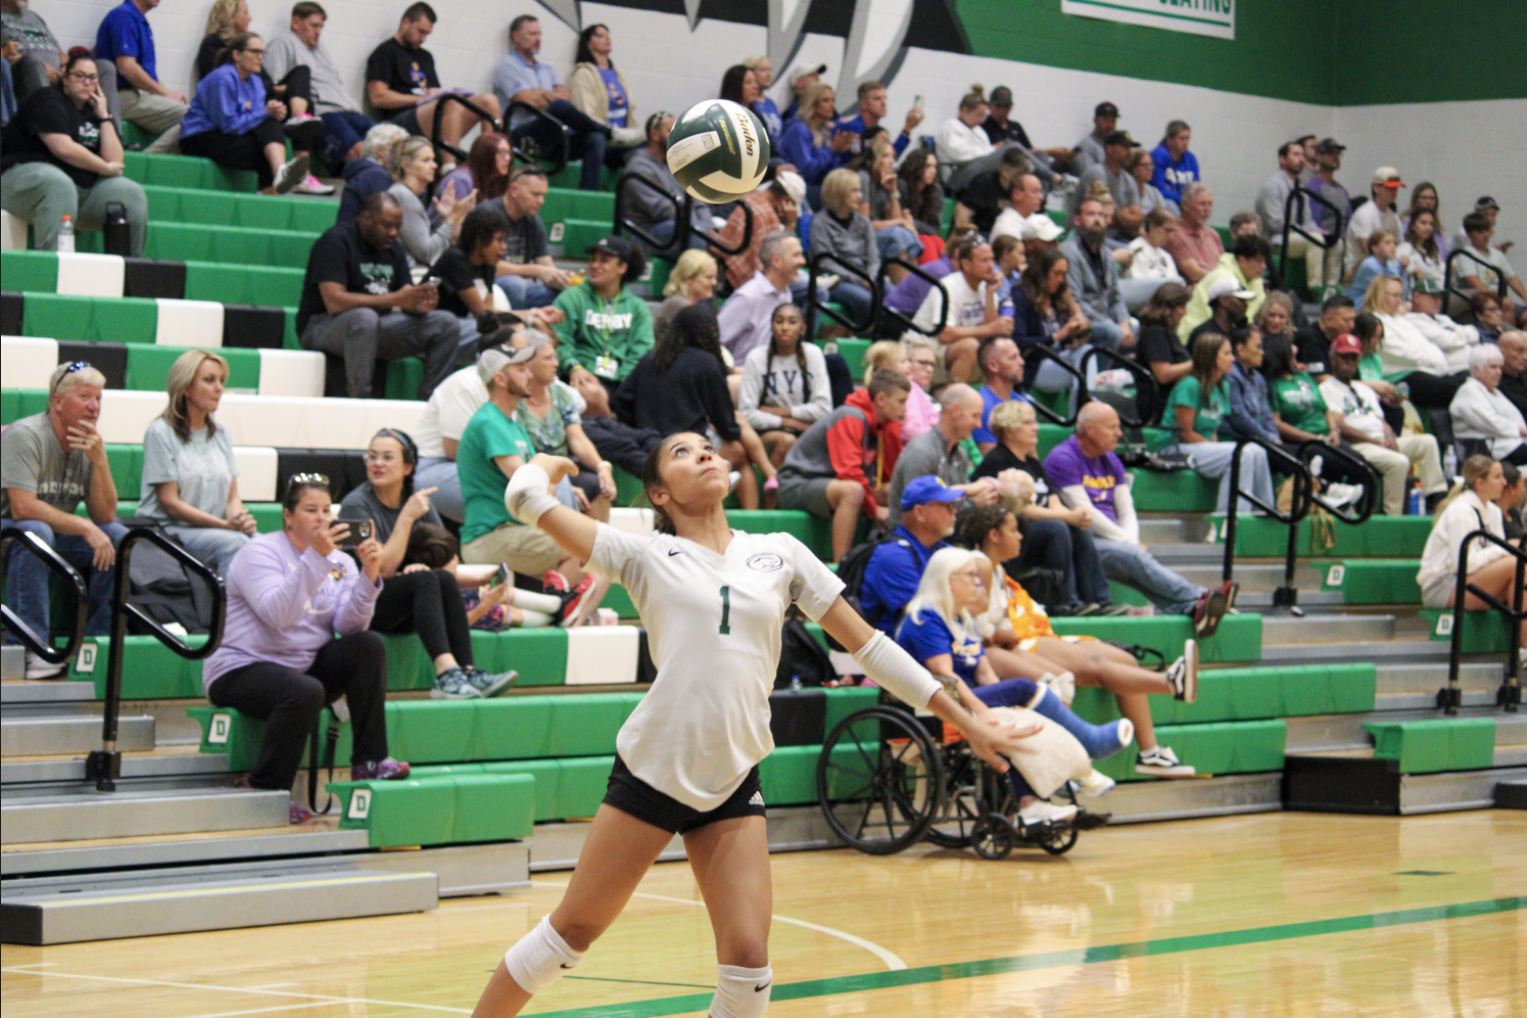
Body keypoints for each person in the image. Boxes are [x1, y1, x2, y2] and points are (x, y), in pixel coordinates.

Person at [471, 438, 1031, 1018]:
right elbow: (522, 495)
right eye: (685, 453)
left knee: (748, 965)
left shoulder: (780, 551)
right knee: (570, 936)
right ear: (659, 492)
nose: (707, 454)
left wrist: (966, 721)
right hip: (655, 768)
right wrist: (555, 464)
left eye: (710, 448)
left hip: (734, 770)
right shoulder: (640, 554)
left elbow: (870, 647)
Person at [202, 475, 407, 825]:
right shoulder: (258, 552)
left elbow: (348, 627)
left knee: (368, 645)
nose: (321, 518)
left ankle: (370, 760)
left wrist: (369, 579)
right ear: (287, 516)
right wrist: (316, 559)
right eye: (310, 510)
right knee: (305, 691)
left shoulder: (342, 562)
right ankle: (266, 790)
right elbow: (277, 615)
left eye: (327, 510)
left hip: (301, 666)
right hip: (240, 668)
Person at [955, 506, 1199, 777]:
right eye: (1013, 530)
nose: (1021, 537)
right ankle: (1169, 683)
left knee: (1126, 660)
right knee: (1089, 667)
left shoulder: (997, 571)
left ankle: (1150, 753)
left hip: (1023, 637)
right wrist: (1009, 635)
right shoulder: (976, 566)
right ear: (994, 535)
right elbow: (978, 629)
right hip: (1007, 645)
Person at [893, 545, 1131, 821]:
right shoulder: (925, 618)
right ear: (948, 578)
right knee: (1022, 687)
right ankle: (1089, 744)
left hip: (968, 695)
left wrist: (1006, 703)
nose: (977, 582)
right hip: (932, 701)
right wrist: (984, 707)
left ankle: (1034, 802)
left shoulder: (963, 617)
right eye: (970, 575)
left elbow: (984, 674)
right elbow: (945, 678)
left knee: (1016, 719)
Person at [341, 429, 523, 699]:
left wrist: (474, 579)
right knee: (424, 579)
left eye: (387, 457)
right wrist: (405, 519)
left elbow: (447, 559)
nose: (377, 463)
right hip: (365, 604)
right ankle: (445, 674)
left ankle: (467, 670)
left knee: (441, 578)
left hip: (409, 600)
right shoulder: (354, 507)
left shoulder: (415, 499)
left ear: (408, 466)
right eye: (372, 457)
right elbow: (381, 570)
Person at [1046, 402, 1233, 632]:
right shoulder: (1063, 458)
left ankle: (1193, 608)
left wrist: (1130, 541)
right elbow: (1087, 514)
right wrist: (1129, 543)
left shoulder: (1111, 459)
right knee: (1133, 559)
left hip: (1111, 539)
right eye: (1112, 427)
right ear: (1090, 429)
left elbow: (1126, 509)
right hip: (1082, 543)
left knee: (1133, 563)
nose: (1119, 433)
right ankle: (1200, 595)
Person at [2, 363, 126, 679]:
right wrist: (84, 526)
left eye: (98, 398)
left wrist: (100, 462)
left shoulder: (88, 444)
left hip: (43, 532)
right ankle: (30, 647)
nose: (94, 406)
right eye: (85, 396)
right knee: (35, 532)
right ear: (57, 402)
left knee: (116, 536)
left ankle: (96, 644)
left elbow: (104, 515)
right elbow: (22, 508)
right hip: (10, 528)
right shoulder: (25, 434)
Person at [614, 303, 775, 511]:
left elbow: (620, 400)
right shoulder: (706, 362)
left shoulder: (650, 358)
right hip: (688, 445)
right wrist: (727, 430)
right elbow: (727, 423)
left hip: (649, 445)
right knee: (740, 455)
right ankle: (753, 519)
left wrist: (639, 426)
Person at [297, 191, 458, 399]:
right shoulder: (335, 241)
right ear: (366, 219)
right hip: (322, 326)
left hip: (375, 328)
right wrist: (395, 299)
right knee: (364, 318)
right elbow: (334, 302)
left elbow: (405, 296)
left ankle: (429, 403)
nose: (394, 233)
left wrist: (419, 304)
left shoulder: (394, 249)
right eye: (387, 225)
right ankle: (360, 400)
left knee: (446, 324)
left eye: (398, 227)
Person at [458, 344, 591, 586]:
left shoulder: (512, 426)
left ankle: (557, 603)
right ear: (500, 378)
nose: (530, 375)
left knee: (593, 545)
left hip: (515, 533)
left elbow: (544, 485)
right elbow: (530, 486)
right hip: (491, 538)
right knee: (587, 545)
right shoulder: (489, 422)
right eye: (521, 369)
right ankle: (561, 603)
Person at [972, 399, 1116, 614]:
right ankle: (1066, 602)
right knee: (1056, 527)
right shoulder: (997, 461)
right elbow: (1020, 508)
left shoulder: (1032, 464)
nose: (1036, 427)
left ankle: (1100, 601)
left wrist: (1075, 515)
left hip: (1035, 533)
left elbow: (1053, 499)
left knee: (1075, 528)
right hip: (1013, 535)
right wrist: (1066, 518)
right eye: (1028, 423)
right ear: (1010, 430)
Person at [0, 51, 146, 255]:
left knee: (130, 193)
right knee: (59, 184)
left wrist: (104, 117)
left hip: (75, 192)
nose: (86, 82)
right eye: (79, 76)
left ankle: (129, 273)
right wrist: (103, 167)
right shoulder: (46, 98)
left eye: (92, 78)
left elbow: (115, 161)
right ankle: (52, 271)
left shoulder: (94, 111)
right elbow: (62, 148)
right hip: (18, 182)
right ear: (65, 80)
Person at [139, 350, 254, 580]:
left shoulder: (222, 434)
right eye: (209, 380)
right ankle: (228, 616)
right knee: (234, 544)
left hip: (214, 530)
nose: (219, 388)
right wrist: (223, 526)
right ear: (186, 387)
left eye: (221, 381)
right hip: (167, 531)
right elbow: (170, 503)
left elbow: (232, 497)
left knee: (265, 547)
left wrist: (238, 518)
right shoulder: (161, 432)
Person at [778, 369, 910, 561]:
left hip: (828, 485)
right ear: (881, 399)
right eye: (901, 401)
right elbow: (849, 473)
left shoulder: (880, 425)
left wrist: (893, 431)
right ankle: (843, 565)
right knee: (853, 491)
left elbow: (889, 475)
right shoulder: (850, 417)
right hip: (797, 483)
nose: (905, 409)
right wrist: (874, 511)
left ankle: (884, 556)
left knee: (891, 491)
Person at [195, 2, 326, 192]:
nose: (250, 18)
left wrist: (276, 90)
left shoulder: (251, 58)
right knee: (267, 123)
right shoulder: (213, 46)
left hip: (261, 96)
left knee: (303, 78)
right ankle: (282, 173)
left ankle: (300, 127)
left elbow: (263, 82)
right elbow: (219, 87)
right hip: (239, 104)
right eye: (245, 13)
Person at [1320, 333, 1446, 515]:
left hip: (1380, 441)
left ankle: (1435, 502)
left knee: (1427, 442)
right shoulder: (1326, 388)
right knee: (1399, 462)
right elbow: (1341, 426)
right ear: (1333, 359)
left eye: (1353, 357)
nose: (1349, 362)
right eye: (1344, 357)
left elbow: (1380, 419)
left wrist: (1389, 435)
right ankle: (1392, 514)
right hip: (1357, 445)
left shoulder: (1364, 389)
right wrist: (1376, 442)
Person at [365, 3, 499, 164]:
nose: (423, 39)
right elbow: (377, 97)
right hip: (400, 119)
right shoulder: (385, 52)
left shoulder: (425, 57)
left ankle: (490, 164)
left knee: (488, 101)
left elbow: (434, 93)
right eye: (420, 32)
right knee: (449, 102)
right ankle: (448, 167)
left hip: (427, 114)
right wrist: (419, 100)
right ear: (406, 23)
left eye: (427, 34)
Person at [180, 32, 310, 194]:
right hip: (200, 136)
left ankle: (279, 173)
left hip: (230, 133)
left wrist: (273, 113)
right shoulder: (222, 78)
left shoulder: (256, 82)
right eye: (254, 52)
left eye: (262, 53)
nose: (260, 57)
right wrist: (265, 113)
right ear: (237, 55)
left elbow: (256, 120)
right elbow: (228, 125)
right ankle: (275, 180)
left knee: (270, 128)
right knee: (263, 149)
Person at [1417, 456, 1523, 651]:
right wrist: (1505, 547)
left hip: (1471, 581)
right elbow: (1463, 565)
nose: (1504, 482)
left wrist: (1504, 550)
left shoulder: (1493, 511)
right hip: (1442, 585)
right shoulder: (1461, 511)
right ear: (1481, 483)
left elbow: (1496, 555)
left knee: (1519, 565)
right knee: (1516, 565)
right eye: (1498, 477)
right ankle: (1524, 650)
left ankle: (1520, 650)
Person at [1164, 331, 1276, 512]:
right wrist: (1212, 448)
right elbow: (1184, 433)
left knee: (1258, 451)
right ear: (1210, 357)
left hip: (1201, 448)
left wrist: (1213, 449)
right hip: (1174, 448)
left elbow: (1213, 429)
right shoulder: (1190, 385)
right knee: (1244, 453)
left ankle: (1264, 514)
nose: (1233, 358)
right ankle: (1229, 522)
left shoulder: (1222, 386)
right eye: (1226, 353)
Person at [264, 1, 375, 178]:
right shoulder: (282, 43)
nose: (318, 32)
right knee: (358, 150)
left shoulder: (321, 50)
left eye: (321, 27)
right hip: (323, 112)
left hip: (348, 110)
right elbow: (272, 85)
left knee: (388, 142)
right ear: (296, 23)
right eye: (314, 25)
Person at [885, 386, 1002, 527]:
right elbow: (919, 511)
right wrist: (974, 503)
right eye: (974, 416)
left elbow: (960, 499)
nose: (978, 425)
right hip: (912, 541)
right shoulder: (922, 451)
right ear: (955, 410)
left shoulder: (960, 454)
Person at [554, 235, 654, 391]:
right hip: (580, 377)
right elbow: (559, 340)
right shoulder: (571, 298)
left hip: (623, 382)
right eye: (593, 259)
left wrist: (624, 382)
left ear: (622, 268)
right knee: (591, 392)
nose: (594, 265)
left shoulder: (637, 308)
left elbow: (642, 350)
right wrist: (574, 366)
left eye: (604, 261)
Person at [911, 233, 1012, 385]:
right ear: (966, 264)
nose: (991, 266)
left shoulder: (986, 288)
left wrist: (991, 294)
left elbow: (990, 333)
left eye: (992, 259)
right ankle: (954, 401)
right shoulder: (949, 287)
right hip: (924, 346)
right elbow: (944, 335)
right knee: (969, 346)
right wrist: (990, 328)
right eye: (984, 260)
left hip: (949, 349)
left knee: (1001, 352)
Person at [739, 304, 831, 468]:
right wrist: (788, 422)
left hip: (806, 428)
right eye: (779, 322)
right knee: (787, 441)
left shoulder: (813, 354)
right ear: (772, 326)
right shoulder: (756, 358)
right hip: (768, 430)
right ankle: (771, 490)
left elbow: (824, 409)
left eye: (792, 322)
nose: (784, 328)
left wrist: (783, 411)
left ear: (803, 328)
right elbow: (747, 414)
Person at [3, 0, 121, 128]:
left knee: (105, 67)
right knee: (33, 62)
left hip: (56, 73)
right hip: (23, 74)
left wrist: (67, 67)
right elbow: (8, 54)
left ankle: (113, 131)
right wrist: (43, 66)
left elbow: (59, 52)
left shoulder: (34, 17)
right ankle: (50, 128)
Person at [94, 0, 186, 153]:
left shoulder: (139, 21)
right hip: (121, 96)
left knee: (195, 122)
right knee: (193, 117)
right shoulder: (124, 16)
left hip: (136, 94)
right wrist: (165, 94)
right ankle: (146, 162)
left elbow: (147, 73)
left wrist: (168, 94)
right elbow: (127, 68)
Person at [1361, 274, 1467, 405]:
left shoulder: (1399, 319)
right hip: (1397, 378)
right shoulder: (1372, 322)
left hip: (1425, 370)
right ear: (1379, 295)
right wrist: (1432, 359)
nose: (1399, 301)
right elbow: (1403, 352)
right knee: (1457, 391)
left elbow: (1425, 346)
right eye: (1394, 296)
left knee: (1467, 381)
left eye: (1400, 296)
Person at [1009, 246, 1093, 398]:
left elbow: (1062, 337)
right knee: (1084, 363)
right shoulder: (1021, 296)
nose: (1060, 280)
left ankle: (1085, 406)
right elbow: (1019, 341)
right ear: (1041, 272)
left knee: (1087, 352)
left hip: (1057, 358)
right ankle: (1083, 408)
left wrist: (1075, 336)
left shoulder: (1056, 298)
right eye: (1056, 273)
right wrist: (1057, 336)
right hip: (1034, 367)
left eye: (1063, 275)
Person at [620, 111, 711, 251]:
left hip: (680, 226)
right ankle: (694, 271)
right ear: (655, 135)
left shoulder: (677, 164)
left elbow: (698, 201)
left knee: (720, 234)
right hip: (647, 232)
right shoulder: (638, 167)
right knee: (694, 233)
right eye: (671, 131)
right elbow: (661, 210)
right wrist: (700, 227)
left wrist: (708, 226)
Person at [430, 203, 510, 355]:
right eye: (499, 240)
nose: (504, 247)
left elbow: (489, 311)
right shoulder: (455, 259)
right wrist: (529, 316)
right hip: (435, 328)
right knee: (503, 336)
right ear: (480, 240)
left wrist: (531, 316)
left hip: (460, 324)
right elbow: (482, 315)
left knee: (514, 331)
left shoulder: (488, 263)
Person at [808, 167, 880, 328]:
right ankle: (867, 339)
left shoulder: (864, 222)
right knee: (864, 299)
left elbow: (874, 257)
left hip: (865, 278)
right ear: (838, 193)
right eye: (854, 191)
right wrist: (859, 280)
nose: (860, 197)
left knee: (892, 293)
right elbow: (826, 262)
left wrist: (871, 277)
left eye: (860, 191)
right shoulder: (819, 223)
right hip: (835, 280)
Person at [387, 134, 473, 267]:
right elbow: (427, 254)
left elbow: (430, 247)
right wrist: (453, 219)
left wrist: (443, 217)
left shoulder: (409, 195)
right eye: (426, 160)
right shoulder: (403, 196)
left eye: (433, 159)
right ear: (406, 166)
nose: (434, 165)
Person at [492, 166, 570, 311]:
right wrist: (537, 271)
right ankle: (511, 328)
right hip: (488, 286)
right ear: (514, 190)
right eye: (535, 195)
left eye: (543, 196)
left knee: (565, 296)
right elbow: (491, 267)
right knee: (515, 285)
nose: (541, 201)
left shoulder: (533, 219)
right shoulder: (489, 215)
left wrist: (560, 278)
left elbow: (545, 262)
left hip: (522, 287)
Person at [1062, 196, 1133, 351]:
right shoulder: (1069, 252)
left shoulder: (1106, 253)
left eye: (1101, 215)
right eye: (1091, 214)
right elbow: (1075, 299)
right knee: (1113, 332)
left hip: (1107, 317)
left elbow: (1116, 296)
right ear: (1077, 220)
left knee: (1134, 329)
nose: (1097, 220)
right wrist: (1109, 323)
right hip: (1085, 320)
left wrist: (1124, 323)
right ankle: (1098, 375)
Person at [719, 230, 802, 361]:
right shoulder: (748, 297)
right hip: (744, 376)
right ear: (776, 261)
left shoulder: (785, 294)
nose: (802, 261)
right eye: (796, 255)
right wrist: (732, 371)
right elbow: (716, 341)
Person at [714, 171, 804, 290]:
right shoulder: (767, 216)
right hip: (748, 280)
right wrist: (790, 225)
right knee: (815, 289)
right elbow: (773, 264)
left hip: (726, 269)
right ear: (786, 201)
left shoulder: (753, 196)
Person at [567, 23, 643, 164]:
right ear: (589, 44)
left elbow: (629, 110)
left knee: (652, 145)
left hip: (623, 137)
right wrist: (612, 133)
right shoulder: (583, 74)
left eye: (607, 34)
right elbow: (587, 115)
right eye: (600, 35)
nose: (607, 38)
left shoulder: (617, 74)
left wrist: (632, 134)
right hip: (605, 138)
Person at [1254, 140, 1323, 290]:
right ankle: (1315, 290)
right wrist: (1307, 232)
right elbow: (1275, 223)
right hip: (1276, 240)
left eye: (1302, 155)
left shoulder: (1301, 187)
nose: (1301, 159)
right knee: (1315, 240)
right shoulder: (1272, 186)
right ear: (1282, 159)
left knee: (1334, 242)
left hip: (1296, 236)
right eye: (1296, 155)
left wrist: (1317, 230)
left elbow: (1307, 220)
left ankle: (1330, 289)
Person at [854, 136, 922, 277]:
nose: (891, 161)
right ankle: (902, 290)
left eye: (893, 156)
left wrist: (893, 192)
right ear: (874, 159)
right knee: (898, 235)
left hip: (879, 235)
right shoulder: (863, 178)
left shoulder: (885, 182)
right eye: (885, 156)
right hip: (861, 239)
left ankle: (912, 287)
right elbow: (865, 224)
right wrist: (901, 221)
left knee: (906, 233)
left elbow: (895, 220)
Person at [1180, 234, 1270, 340]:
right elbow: (1215, 320)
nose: (1264, 266)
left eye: (1264, 261)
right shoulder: (1222, 278)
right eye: (1258, 261)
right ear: (1242, 260)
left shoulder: (1256, 280)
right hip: (1197, 337)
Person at [1450, 345, 1527, 465]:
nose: (1498, 372)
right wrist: (1522, 431)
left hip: (1510, 443)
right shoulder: (1468, 391)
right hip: (1487, 449)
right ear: (1476, 369)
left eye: (1500, 367)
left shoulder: (1495, 391)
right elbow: (1490, 422)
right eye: (1493, 367)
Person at [1264, 331, 1340, 451]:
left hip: (1328, 438)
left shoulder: (1304, 376)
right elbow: (1277, 423)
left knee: (1359, 462)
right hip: (1302, 443)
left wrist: (1334, 431)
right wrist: (1314, 438)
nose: (1295, 349)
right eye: (1289, 346)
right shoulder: (1273, 385)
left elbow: (1325, 409)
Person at [776, 81, 850, 197]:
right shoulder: (799, 130)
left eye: (832, 100)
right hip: (795, 189)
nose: (831, 105)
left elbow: (827, 172)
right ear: (813, 103)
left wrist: (841, 151)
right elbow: (806, 171)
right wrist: (832, 149)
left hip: (815, 185)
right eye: (825, 101)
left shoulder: (824, 130)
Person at [1134, 281, 1193, 424]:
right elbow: (1163, 374)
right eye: (1181, 307)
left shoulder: (1170, 334)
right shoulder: (1154, 333)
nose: (1185, 312)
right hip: (1158, 409)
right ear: (1167, 308)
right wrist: (1198, 364)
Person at [1456, 211, 1527, 326]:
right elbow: (1472, 281)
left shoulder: (1497, 254)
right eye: (1480, 232)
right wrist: (1497, 299)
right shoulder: (1466, 254)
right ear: (1469, 235)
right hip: (1482, 301)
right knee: (1506, 307)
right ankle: (1504, 339)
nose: (1485, 235)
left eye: (1487, 231)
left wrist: (1525, 296)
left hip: (1499, 298)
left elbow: (1512, 278)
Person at [1068, 129, 1142, 237]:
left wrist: (1118, 216)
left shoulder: (1129, 179)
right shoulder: (1096, 173)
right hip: (1088, 236)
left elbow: (1138, 219)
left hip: (1118, 236)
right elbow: (1104, 215)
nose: (1129, 152)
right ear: (1109, 150)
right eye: (1125, 147)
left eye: (1130, 148)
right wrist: (1124, 214)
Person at [1221, 326, 1283, 446]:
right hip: (1239, 440)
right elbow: (1239, 418)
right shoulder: (1230, 376)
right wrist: (1269, 439)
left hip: (1262, 440)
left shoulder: (1258, 378)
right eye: (1258, 347)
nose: (1262, 352)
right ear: (1241, 350)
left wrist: (1275, 437)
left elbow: (1267, 415)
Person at [1406, 276, 1480, 374]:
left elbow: (1474, 334)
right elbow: (1446, 341)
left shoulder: (1443, 318)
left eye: (1440, 297)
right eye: (1434, 297)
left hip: (1472, 366)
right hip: (1453, 371)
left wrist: (1455, 334)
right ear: (1417, 297)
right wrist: (1460, 333)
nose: (1439, 301)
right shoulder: (1412, 320)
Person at [1303, 138, 1351, 291]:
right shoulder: (1313, 187)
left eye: (1337, 154)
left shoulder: (1342, 190)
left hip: (1342, 238)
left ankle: (1333, 289)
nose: (1335, 157)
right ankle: (1318, 291)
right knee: (1335, 244)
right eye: (1330, 153)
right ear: (1318, 156)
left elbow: (1349, 218)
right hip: (1325, 237)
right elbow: (1313, 218)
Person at [335, 121, 405, 224]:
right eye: (399, 148)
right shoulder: (375, 175)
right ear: (381, 150)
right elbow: (386, 221)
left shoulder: (366, 172)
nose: (403, 155)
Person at [1344, 166, 1404, 283]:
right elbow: (1368, 251)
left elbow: (1399, 246)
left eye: (1396, 188)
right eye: (1390, 188)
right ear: (1376, 188)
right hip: (1360, 271)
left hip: (1384, 267)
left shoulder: (1394, 217)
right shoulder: (1364, 214)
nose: (1394, 191)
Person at [969, 337, 1028, 451]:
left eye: (1019, 356)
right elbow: (990, 461)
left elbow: (1031, 454)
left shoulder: (1023, 403)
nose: (1022, 362)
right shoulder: (981, 406)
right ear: (993, 366)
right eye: (1013, 358)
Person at [837, 79, 921, 159]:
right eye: (877, 99)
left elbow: (889, 158)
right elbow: (873, 161)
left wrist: (908, 127)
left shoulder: (879, 131)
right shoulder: (851, 128)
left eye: (885, 98)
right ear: (863, 104)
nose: (883, 103)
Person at [1121, 207, 1184, 312]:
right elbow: (1138, 285)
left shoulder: (1166, 256)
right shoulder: (1135, 249)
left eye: (1173, 232)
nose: (1171, 237)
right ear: (1152, 227)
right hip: (1145, 304)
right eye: (1167, 231)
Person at [652, 248, 718, 345]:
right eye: (708, 277)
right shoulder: (678, 305)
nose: (714, 282)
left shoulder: (688, 303)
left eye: (715, 277)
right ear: (689, 278)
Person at [935, 86, 995, 186]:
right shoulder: (950, 126)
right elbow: (959, 155)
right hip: (956, 173)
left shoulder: (979, 131)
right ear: (965, 110)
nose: (982, 120)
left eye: (984, 116)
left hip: (976, 171)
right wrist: (992, 150)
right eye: (979, 115)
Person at [1165, 182, 1223, 287]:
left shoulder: (1213, 235)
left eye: (1210, 204)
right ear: (1185, 205)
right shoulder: (1175, 234)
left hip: (1221, 286)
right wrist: (1224, 279)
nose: (1207, 209)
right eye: (1202, 204)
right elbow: (1194, 274)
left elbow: (1225, 266)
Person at [437, 130, 511, 206]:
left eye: (508, 153)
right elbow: (457, 216)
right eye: (501, 152)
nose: (508, 158)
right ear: (485, 155)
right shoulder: (461, 180)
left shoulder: (492, 182)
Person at [1296, 292, 1355, 378]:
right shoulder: (1308, 338)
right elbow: (1320, 378)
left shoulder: (1344, 339)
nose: (1352, 325)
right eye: (1346, 321)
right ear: (1328, 319)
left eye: (1353, 320)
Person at [1346, 229, 1408, 302]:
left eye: (1394, 243)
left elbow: (1401, 293)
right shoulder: (1370, 265)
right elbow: (1386, 293)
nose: (1393, 246)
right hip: (1357, 304)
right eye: (1387, 243)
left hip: (1377, 304)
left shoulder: (1391, 264)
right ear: (1375, 248)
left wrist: (1403, 269)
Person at [897, 148, 946, 239]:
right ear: (916, 167)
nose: (934, 171)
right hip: (903, 233)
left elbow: (935, 229)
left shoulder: (935, 190)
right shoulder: (902, 186)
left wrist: (915, 224)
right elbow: (900, 219)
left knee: (935, 241)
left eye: (934, 167)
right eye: (928, 166)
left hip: (923, 234)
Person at [990, 171, 1048, 246]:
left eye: (1040, 192)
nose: (1041, 197)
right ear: (1017, 194)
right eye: (1035, 191)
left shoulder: (1040, 218)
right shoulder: (1006, 228)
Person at [1149, 120, 1197, 208]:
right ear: (1169, 139)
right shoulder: (1159, 155)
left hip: (1184, 201)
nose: (1185, 143)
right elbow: (1159, 189)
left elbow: (1196, 186)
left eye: (1187, 139)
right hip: (1162, 201)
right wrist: (1183, 199)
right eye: (1181, 139)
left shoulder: (1190, 158)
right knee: (1170, 206)